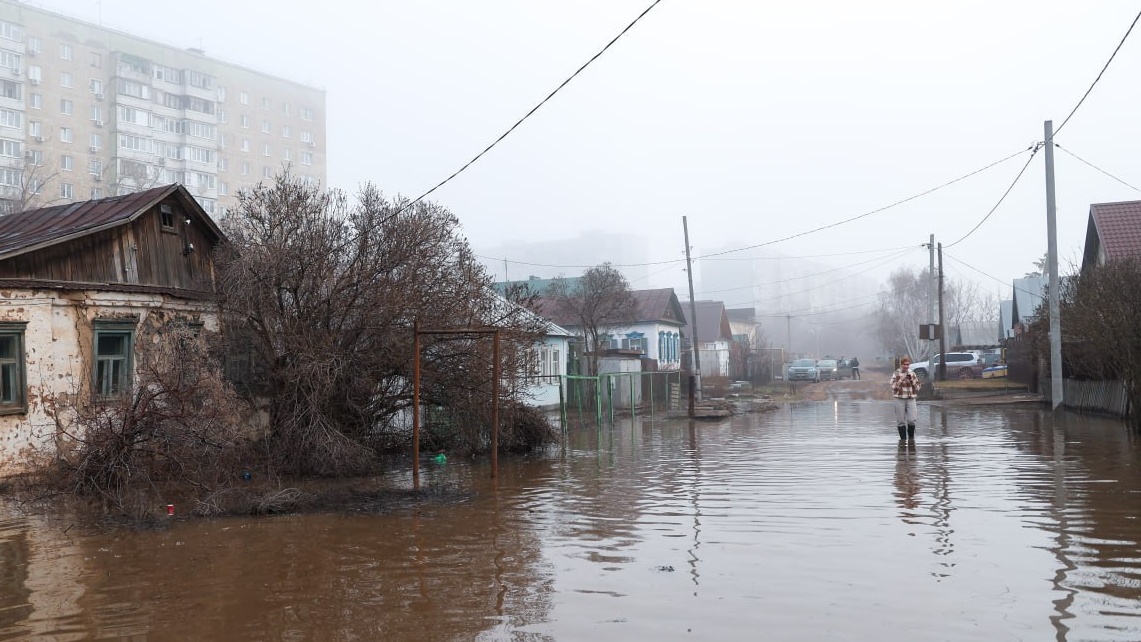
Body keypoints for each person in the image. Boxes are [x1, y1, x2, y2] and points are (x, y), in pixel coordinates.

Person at [890, 356, 921, 441]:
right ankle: (903, 441)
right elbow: (893, 387)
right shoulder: (896, 373)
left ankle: (911, 439)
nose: (906, 366)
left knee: (911, 420)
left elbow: (918, 388)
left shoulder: (912, 373)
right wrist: (901, 380)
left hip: (911, 399)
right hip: (899, 399)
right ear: (901, 365)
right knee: (901, 421)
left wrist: (912, 380)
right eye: (904, 364)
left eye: (907, 364)